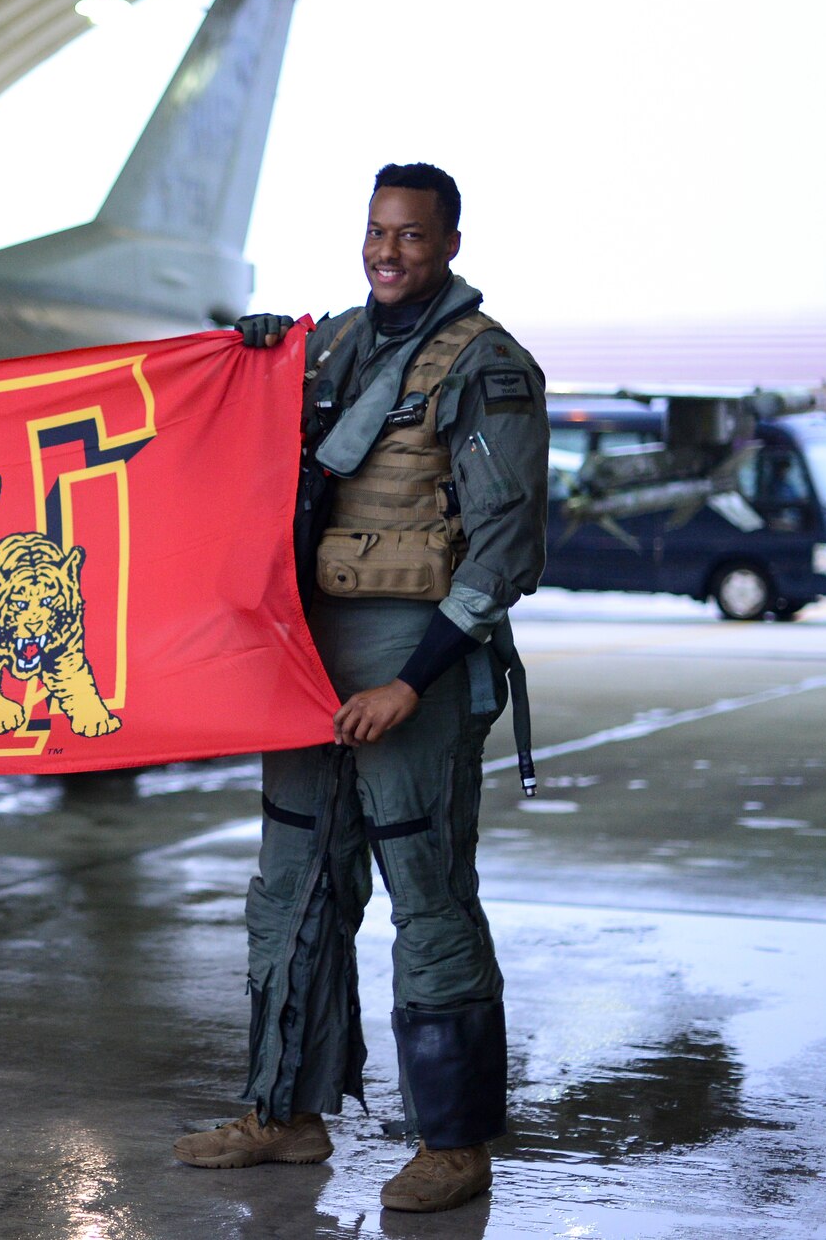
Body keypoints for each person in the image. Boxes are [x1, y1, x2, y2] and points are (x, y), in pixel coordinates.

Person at [171, 163, 548, 1212]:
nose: (387, 251)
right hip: (303, 658)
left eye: (410, 236)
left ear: (449, 245)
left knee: (426, 901)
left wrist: (413, 682)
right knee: (290, 888)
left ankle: (453, 1143)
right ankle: (282, 1114)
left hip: (412, 656)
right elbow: (244, 447)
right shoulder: (328, 343)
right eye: (375, 231)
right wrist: (238, 364)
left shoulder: (488, 366)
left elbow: (507, 548)